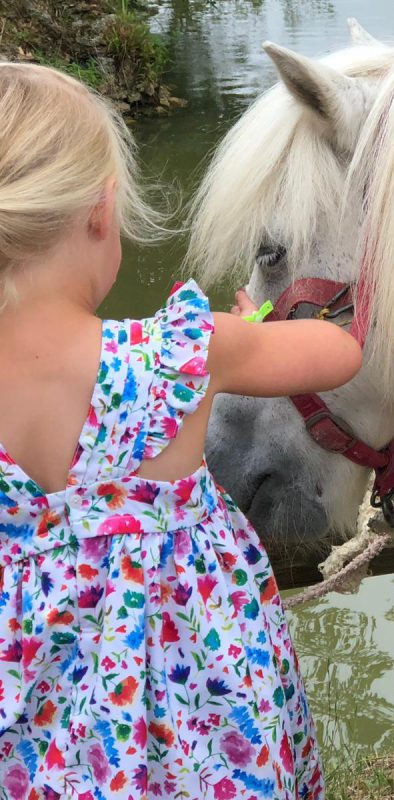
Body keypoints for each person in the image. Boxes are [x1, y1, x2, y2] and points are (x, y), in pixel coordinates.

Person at [0, 62, 361, 799]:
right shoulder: (178, 352)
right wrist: (242, 328)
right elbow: (340, 353)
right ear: (102, 212)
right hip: (202, 722)